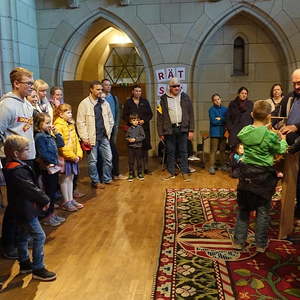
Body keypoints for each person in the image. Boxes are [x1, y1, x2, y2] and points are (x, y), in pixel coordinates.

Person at [233, 100, 288, 252]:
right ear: (269, 117)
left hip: (246, 175)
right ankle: (260, 244)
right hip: (264, 177)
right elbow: (281, 150)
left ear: (252, 114)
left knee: (243, 209)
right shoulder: (270, 136)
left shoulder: (245, 131)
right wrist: (282, 140)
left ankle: (238, 241)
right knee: (263, 211)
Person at [3, 135, 56, 281]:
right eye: (26, 149)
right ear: (15, 153)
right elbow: (31, 188)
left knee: (23, 236)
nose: (29, 151)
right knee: (39, 236)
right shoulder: (17, 170)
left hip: (19, 208)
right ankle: (38, 268)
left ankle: (25, 263)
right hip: (25, 209)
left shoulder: (13, 166)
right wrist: (45, 199)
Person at [0, 67, 35, 259]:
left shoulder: (27, 104)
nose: (31, 86)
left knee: (25, 203)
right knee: (14, 204)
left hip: (27, 158)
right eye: (28, 83)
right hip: (12, 160)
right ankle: (8, 243)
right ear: (16, 83)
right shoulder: (7, 105)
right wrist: (9, 153)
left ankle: (22, 237)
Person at [76, 81, 114, 188]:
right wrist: (84, 138)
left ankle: (107, 178)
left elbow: (111, 119)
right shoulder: (84, 104)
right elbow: (80, 122)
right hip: (91, 138)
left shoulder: (105, 103)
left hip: (104, 136)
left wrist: (108, 132)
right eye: (97, 89)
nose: (100, 91)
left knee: (108, 158)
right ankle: (95, 181)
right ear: (91, 89)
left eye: (101, 89)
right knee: (93, 161)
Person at [157, 77, 194, 181]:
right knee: (170, 151)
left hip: (182, 128)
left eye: (178, 85)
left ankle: (185, 172)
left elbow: (191, 114)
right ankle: (171, 172)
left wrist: (191, 130)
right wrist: (160, 132)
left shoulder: (185, 97)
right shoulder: (163, 99)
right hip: (169, 129)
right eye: (174, 86)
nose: (176, 88)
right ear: (170, 87)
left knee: (183, 151)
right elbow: (159, 117)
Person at [278, 69, 300, 238]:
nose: (296, 86)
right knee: (292, 182)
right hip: (291, 145)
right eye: (294, 83)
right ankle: (290, 216)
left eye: (299, 83)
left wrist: (297, 127)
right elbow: (277, 115)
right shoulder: (290, 97)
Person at [34, 113, 65, 226]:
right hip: (47, 168)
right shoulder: (40, 137)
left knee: (52, 192)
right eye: (47, 123)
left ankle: (51, 214)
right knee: (49, 192)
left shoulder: (48, 134)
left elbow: (61, 143)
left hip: (53, 167)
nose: (49, 125)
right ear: (39, 124)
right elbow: (43, 153)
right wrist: (53, 161)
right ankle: (47, 216)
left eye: (50, 122)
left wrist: (56, 132)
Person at [54, 104, 83, 211]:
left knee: (70, 178)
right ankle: (66, 201)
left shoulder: (70, 124)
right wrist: (71, 156)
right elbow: (61, 146)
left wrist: (78, 154)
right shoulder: (58, 126)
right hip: (65, 157)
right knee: (64, 179)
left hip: (73, 157)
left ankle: (70, 199)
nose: (70, 114)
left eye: (71, 112)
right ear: (61, 114)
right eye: (68, 113)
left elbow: (76, 140)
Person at [123, 85, 153, 174]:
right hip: (132, 130)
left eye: (139, 91)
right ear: (132, 91)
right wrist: (132, 122)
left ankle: (146, 168)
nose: (138, 93)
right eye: (136, 91)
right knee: (134, 149)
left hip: (144, 129)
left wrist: (144, 120)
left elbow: (150, 114)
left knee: (145, 148)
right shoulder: (128, 102)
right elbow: (124, 116)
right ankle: (134, 170)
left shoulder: (145, 102)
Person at [101, 79, 126, 180]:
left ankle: (115, 173)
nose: (108, 87)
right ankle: (108, 174)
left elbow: (117, 112)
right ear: (102, 86)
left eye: (109, 85)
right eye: (106, 85)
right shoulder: (100, 98)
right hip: (102, 130)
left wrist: (116, 125)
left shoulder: (114, 98)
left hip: (113, 128)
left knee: (113, 150)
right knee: (107, 153)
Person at [208, 93, 228, 175]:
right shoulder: (211, 110)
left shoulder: (225, 109)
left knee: (222, 150)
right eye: (215, 100)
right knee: (213, 150)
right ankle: (211, 166)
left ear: (221, 99)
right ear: (213, 101)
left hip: (223, 132)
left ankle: (223, 165)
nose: (217, 101)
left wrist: (220, 119)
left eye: (218, 99)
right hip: (215, 133)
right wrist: (221, 120)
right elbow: (213, 121)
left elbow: (227, 119)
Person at [126, 114, 145, 181]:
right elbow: (126, 137)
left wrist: (135, 139)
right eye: (134, 120)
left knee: (139, 161)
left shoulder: (140, 128)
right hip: (131, 148)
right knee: (131, 161)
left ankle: (139, 173)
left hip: (138, 147)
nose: (136, 122)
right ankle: (131, 174)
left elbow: (143, 136)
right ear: (131, 121)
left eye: (137, 120)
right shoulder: (129, 129)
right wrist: (129, 139)